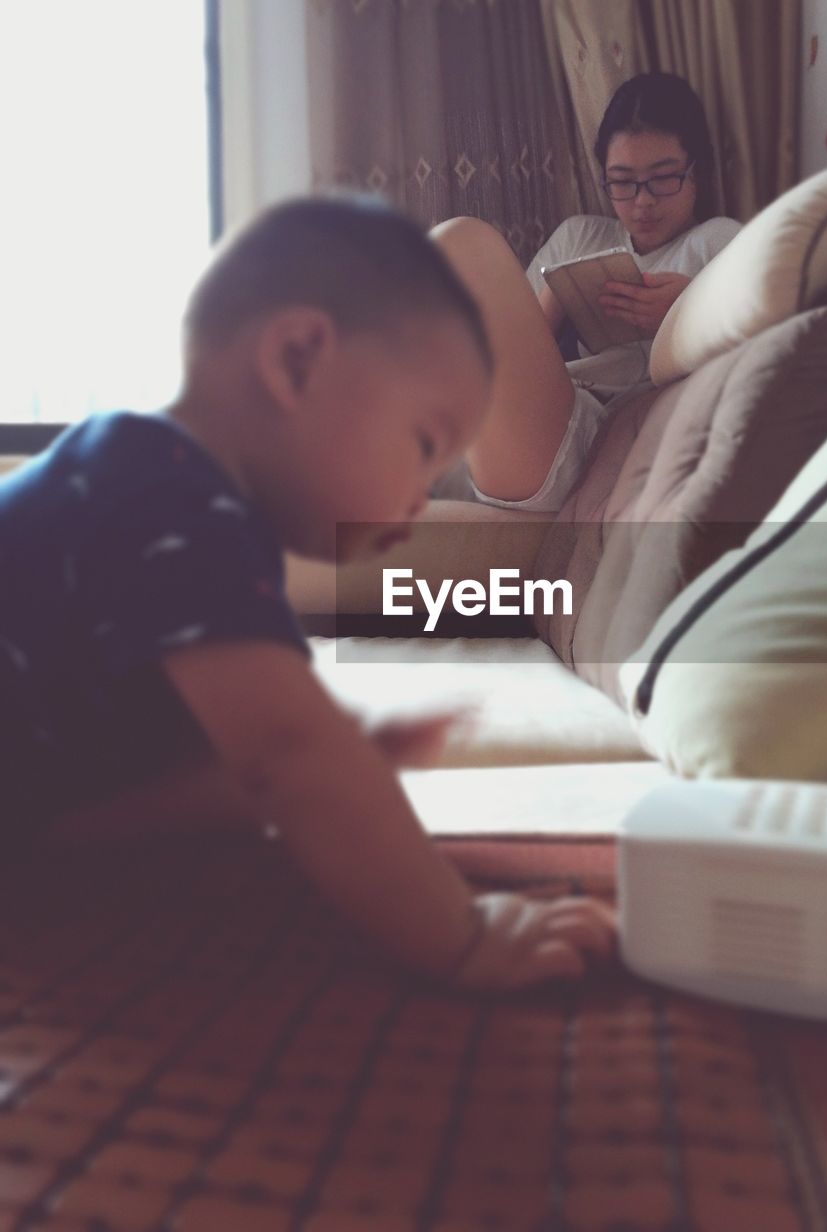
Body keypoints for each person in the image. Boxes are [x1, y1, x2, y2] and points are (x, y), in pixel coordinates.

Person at [0, 195, 616, 990]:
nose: (420, 497)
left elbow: (223, 739)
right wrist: (461, 933)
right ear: (297, 359)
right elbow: (285, 754)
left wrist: (335, 752)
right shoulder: (158, 485)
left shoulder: (187, 504)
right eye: (425, 445)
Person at [432, 72, 742, 510]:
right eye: (622, 181)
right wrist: (560, 297)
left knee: (460, 243)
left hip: (588, 438)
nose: (643, 201)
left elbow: (755, 346)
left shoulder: (717, 241)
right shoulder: (579, 236)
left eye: (663, 177)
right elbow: (504, 354)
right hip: (516, 418)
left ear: (697, 172)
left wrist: (687, 312)